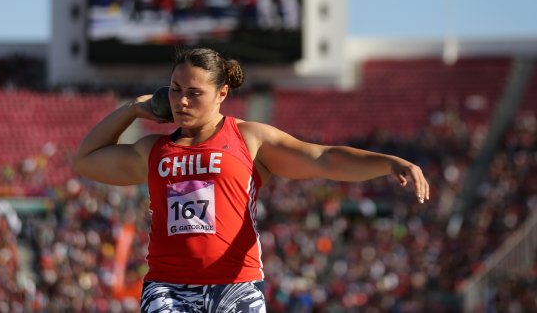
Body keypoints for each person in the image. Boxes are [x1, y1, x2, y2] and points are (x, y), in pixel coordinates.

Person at [72, 47, 430, 313]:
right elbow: (85, 159)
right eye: (175, 89)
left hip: (236, 286)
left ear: (222, 94)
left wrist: (386, 162)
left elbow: (323, 158)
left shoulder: (249, 139)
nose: (182, 100)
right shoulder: (153, 151)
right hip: (168, 290)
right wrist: (134, 107)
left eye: (194, 93)